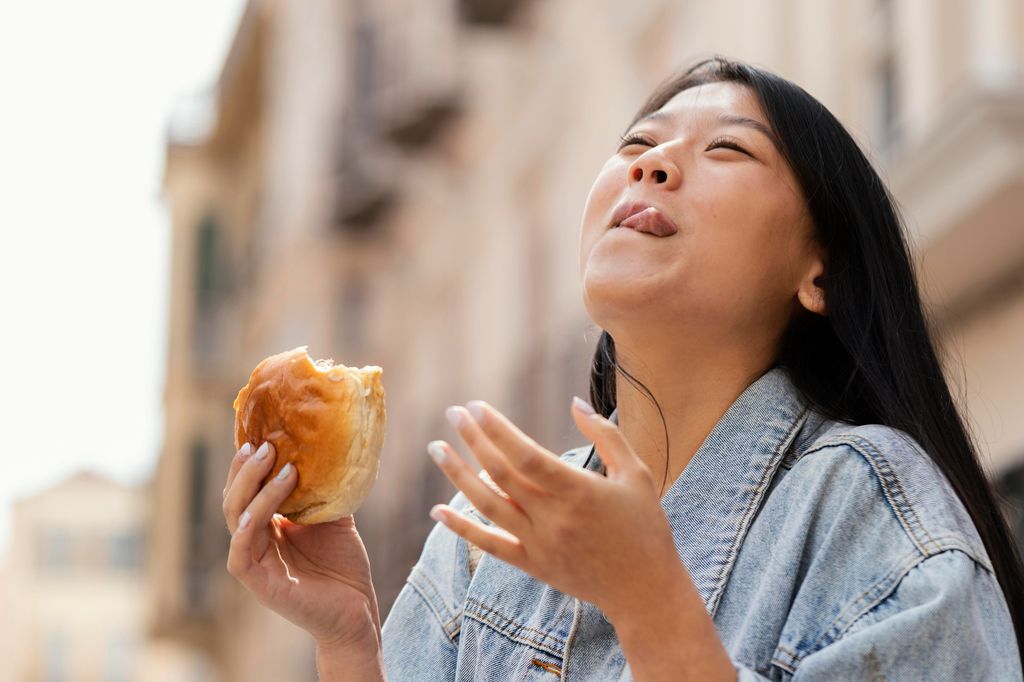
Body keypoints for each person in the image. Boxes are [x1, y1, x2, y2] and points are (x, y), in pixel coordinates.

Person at [220, 57, 1024, 680]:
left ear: (820, 272)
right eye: (636, 145)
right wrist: (353, 641)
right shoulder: (481, 546)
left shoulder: (869, 505)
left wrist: (650, 606)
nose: (652, 165)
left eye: (728, 148)